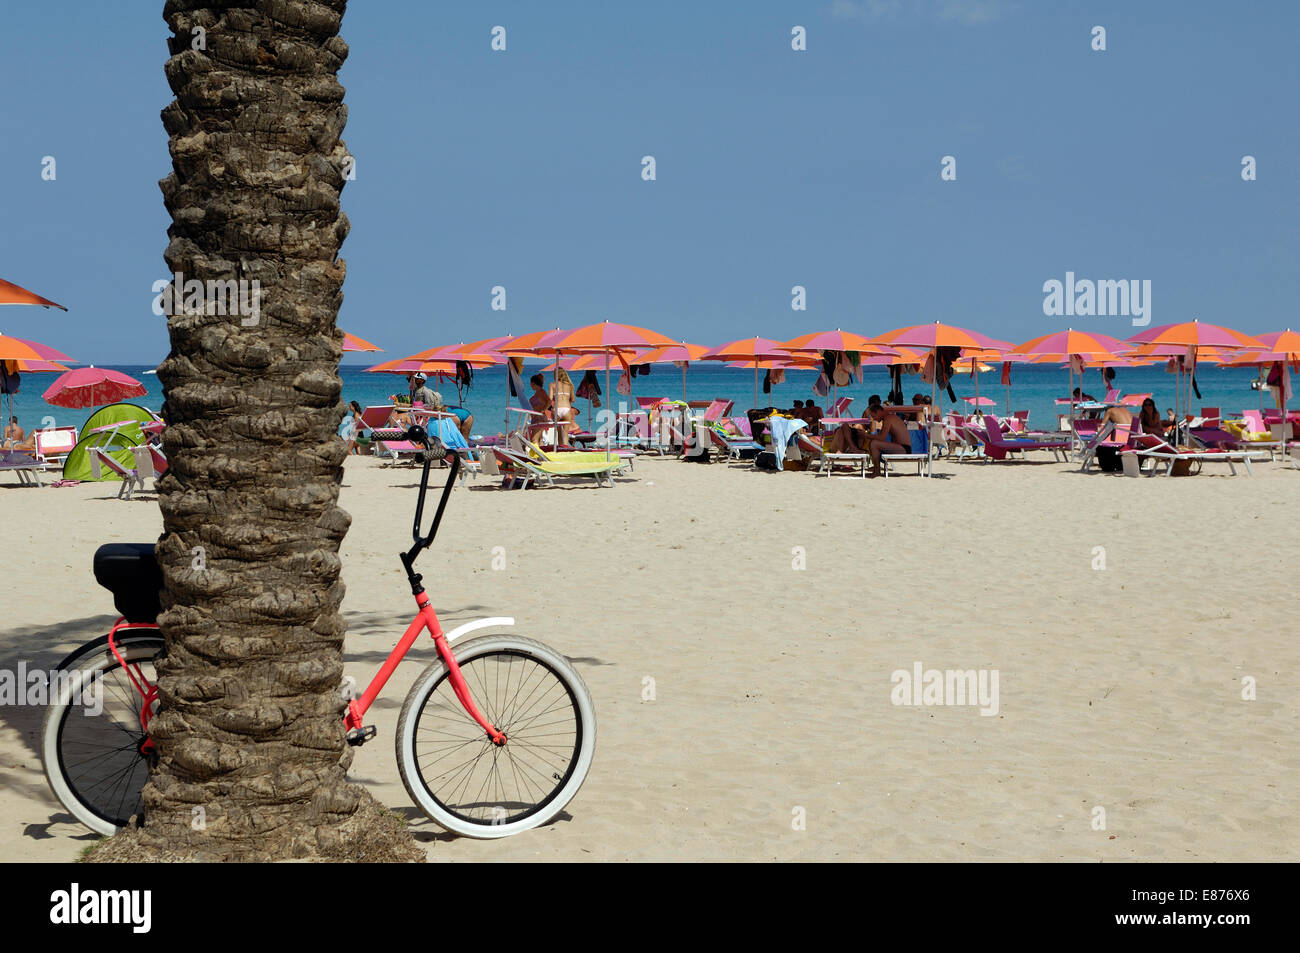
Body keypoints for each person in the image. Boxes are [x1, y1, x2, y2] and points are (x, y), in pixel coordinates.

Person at [866, 400, 910, 477]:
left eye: (873, 416)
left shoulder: (888, 418)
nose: (874, 419)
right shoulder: (889, 417)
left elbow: (882, 438)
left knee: (874, 444)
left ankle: (877, 471)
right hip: (902, 447)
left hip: (904, 448)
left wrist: (866, 435)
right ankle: (876, 470)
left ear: (879, 412)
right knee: (874, 443)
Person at [549, 367, 579, 447]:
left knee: (559, 432)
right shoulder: (569, 385)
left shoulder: (552, 385)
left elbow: (550, 399)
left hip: (557, 409)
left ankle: (560, 450)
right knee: (565, 433)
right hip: (566, 409)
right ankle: (566, 449)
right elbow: (573, 399)